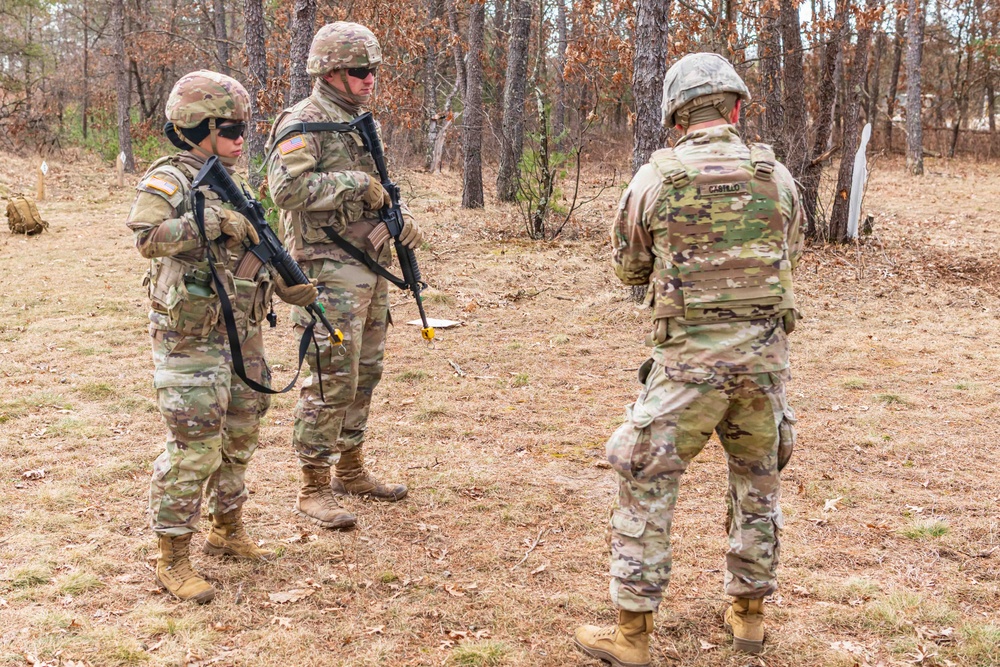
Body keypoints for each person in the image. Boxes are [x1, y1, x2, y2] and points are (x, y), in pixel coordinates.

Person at [573, 52, 803, 664]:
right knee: (757, 488)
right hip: (761, 368)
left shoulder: (656, 179)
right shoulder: (774, 177)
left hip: (687, 371)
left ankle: (632, 636)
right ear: (734, 107)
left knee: (643, 479)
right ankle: (749, 618)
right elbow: (790, 258)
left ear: (676, 117)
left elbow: (629, 267)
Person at [127, 70, 317, 603]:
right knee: (194, 450)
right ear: (197, 127)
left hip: (243, 336)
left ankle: (227, 528)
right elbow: (146, 237)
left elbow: (260, 248)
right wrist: (208, 224)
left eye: (243, 129)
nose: (241, 139)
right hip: (189, 339)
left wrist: (290, 287)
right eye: (230, 129)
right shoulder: (170, 179)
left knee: (241, 434)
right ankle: (172, 556)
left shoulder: (237, 181)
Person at [266, 22, 423, 530]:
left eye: (373, 69)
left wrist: (396, 223)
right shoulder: (305, 121)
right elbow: (285, 192)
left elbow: (374, 191)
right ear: (330, 71)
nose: (370, 78)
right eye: (360, 70)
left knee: (365, 370)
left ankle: (351, 469)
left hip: (367, 267)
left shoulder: (357, 120)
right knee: (328, 373)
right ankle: (312, 486)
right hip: (325, 269)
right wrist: (356, 181)